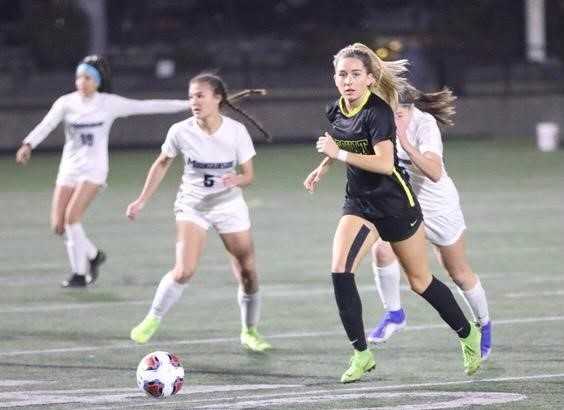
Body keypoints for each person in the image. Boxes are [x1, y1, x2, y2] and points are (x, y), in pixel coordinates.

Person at [303, 43, 481, 383]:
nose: (349, 80)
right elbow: (344, 139)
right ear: (334, 78)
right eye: (343, 74)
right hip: (359, 203)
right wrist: (323, 166)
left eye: (356, 74)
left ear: (370, 79)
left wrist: (336, 154)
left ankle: (466, 332)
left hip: (396, 203)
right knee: (340, 271)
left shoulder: (379, 112)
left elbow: (385, 163)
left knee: (419, 282)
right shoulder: (337, 109)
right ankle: (361, 353)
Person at [15, 55, 190, 288]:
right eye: (79, 77)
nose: (82, 82)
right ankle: (94, 255)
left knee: (71, 218)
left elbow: (147, 106)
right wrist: (28, 144)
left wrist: (189, 105)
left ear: (97, 81)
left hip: (94, 169)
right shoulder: (66, 103)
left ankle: (79, 274)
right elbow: (46, 124)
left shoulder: (109, 103)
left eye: (88, 78)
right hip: (69, 167)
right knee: (58, 225)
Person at [127, 73, 272, 353]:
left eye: (200, 95)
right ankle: (151, 319)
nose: (194, 101)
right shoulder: (180, 131)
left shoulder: (235, 131)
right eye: (191, 95)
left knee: (248, 272)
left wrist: (236, 180)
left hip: (229, 206)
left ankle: (249, 330)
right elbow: (160, 164)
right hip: (193, 205)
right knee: (184, 270)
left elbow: (249, 175)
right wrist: (141, 200)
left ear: (217, 98)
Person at [367, 86, 492, 359]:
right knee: (382, 250)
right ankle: (395, 314)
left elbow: (434, 172)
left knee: (458, 273)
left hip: (440, 207)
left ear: (408, 109)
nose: (390, 117)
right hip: (408, 205)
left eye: (396, 113)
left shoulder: (425, 124)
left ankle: (484, 325)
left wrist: (405, 142)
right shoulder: (381, 121)